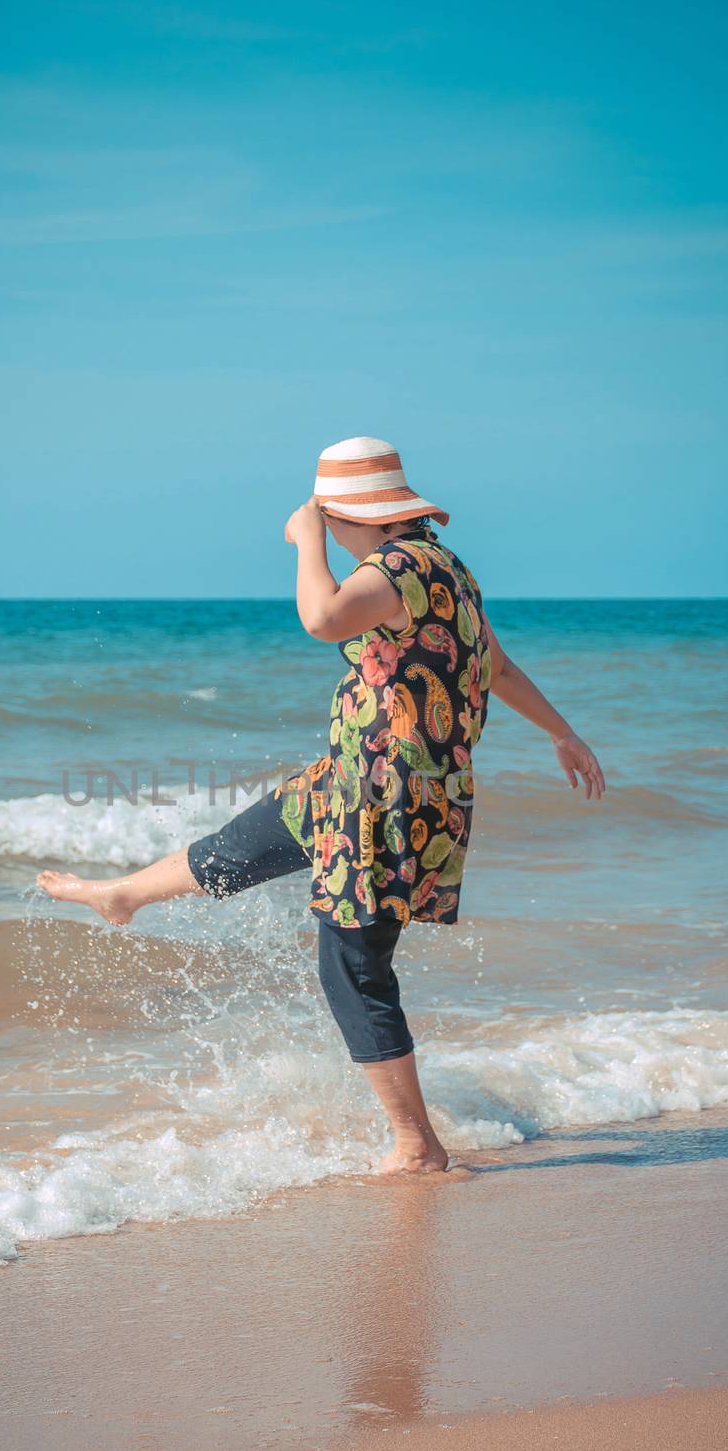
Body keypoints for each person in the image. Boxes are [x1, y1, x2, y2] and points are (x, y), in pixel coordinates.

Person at [38, 436, 605, 1174]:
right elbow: (490, 661)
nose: (326, 527)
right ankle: (123, 896)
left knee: (352, 964)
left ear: (354, 516)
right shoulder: (447, 568)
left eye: (331, 516)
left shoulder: (393, 570)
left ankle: (416, 1145)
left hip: (383, 796)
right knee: (234, 852)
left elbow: (322, 618)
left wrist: (307, 543)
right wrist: (561, 731)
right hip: (349, 782)